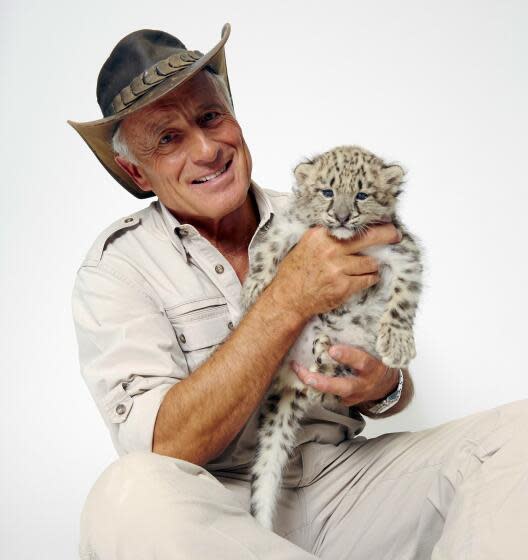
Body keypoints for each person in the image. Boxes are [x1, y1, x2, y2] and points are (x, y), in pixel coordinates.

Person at [69, 23, 527, 560]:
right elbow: (167, 447)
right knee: (124, 497)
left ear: (234, 115)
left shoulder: (321, 214)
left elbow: (389, 365)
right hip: (217, 516)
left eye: (211, 117)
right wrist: (287, 297)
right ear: (136, 171)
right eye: (168, 139)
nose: (207, 149)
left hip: (345, 485)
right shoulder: (116, 271)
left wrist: (384, 383)